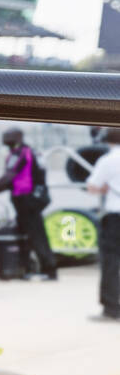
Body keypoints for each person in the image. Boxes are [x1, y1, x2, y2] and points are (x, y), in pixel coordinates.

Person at [0, 127, 57, 280]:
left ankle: (49, 270)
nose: (4, 138)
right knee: (27, 234)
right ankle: (28, 268)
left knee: (36, 234)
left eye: (8, 135)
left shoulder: (20, 153)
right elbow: (12, 181)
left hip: (28, 199)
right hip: (34, 197)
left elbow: (8, 178)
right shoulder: (31, 152)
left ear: (18, 137)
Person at [86, 127, 120, 321]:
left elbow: (93, 187)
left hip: (115, 216)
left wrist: (106, 188)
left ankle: (111, 308)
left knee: (110, 262)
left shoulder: (107, 160)